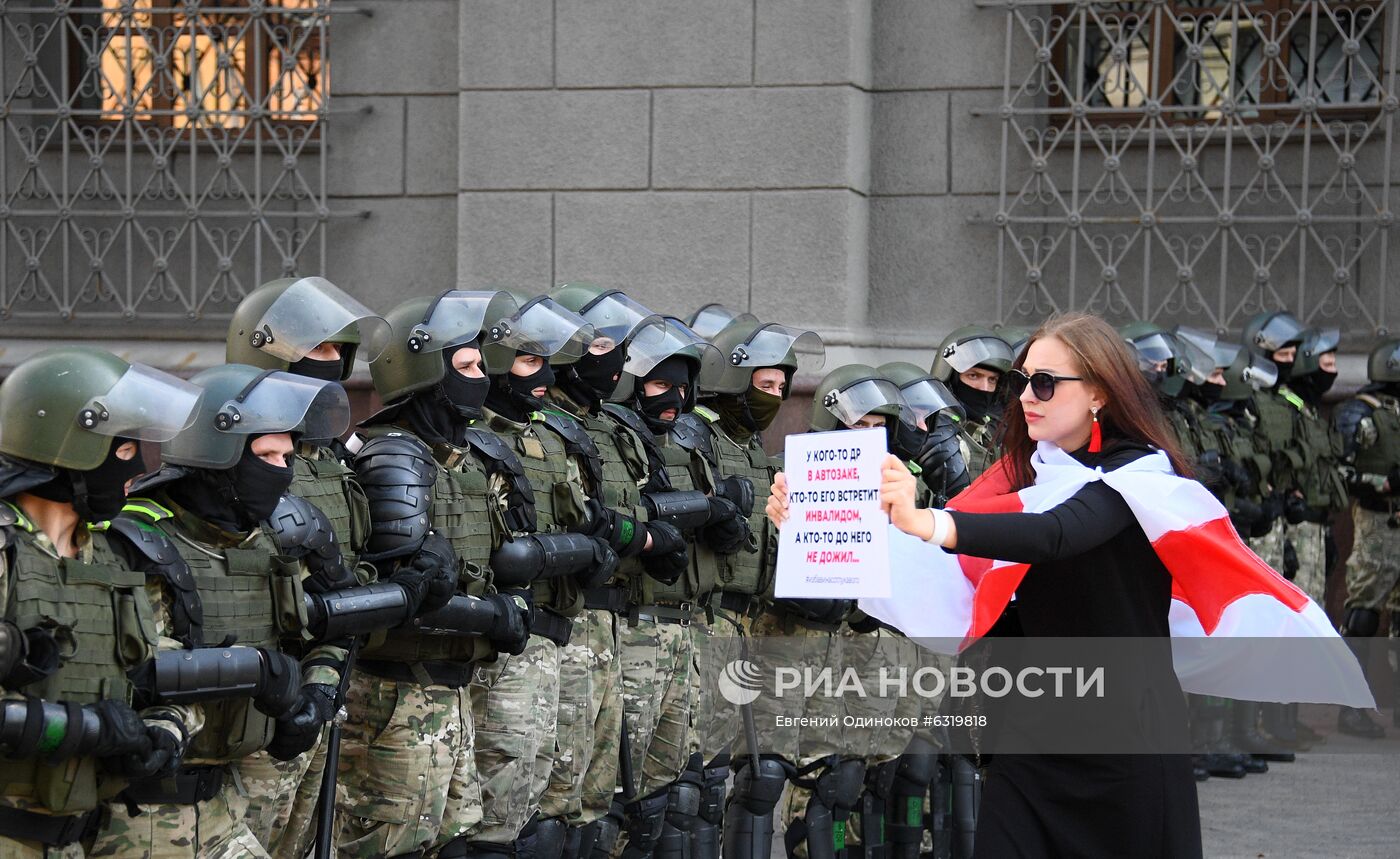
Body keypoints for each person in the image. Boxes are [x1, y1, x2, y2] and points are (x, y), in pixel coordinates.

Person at [771, 313, 1203, 859]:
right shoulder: (1023, 474)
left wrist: (927, 520)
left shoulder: (1141, 475)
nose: (1024, 396)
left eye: (1044, 382)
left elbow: (1056, 533)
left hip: (1123, 740)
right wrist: (808, 527)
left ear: (1098, 392)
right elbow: (952, 582)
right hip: (1036, 733)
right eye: (1022, 381)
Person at [0, 347, 203, 858]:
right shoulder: (6, 553)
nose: (137, 465)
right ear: (68, 448)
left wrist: (162, 731)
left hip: (84, 836)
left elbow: (167, 668)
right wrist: (81, 730)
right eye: (125, 448)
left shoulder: (114, 557)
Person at [225, 274, 390, 857]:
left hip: (328, 678)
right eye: (318, 348)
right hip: (253, 700)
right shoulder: (229, 449)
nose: (334, 363)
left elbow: (351, 566)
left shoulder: (328, 459)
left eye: (338, 351)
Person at [1333, 337, 1400, 738]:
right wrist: (1385, 483)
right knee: (1362, 616)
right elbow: (1338, 472)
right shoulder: (1361, 414)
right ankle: (1350, 707)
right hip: (1379, 526)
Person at [930, 326, 1014, 479]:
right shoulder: (936, 431)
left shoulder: (984, 433)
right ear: (951, 377)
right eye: (974, 376)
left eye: (992, 379)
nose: (984, 388)